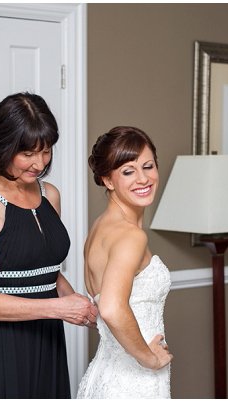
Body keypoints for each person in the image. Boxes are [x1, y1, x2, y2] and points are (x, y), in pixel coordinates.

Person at [0, 92, 98, 398]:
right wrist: (58, 308)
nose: (39, 163)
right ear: (2, 146)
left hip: (45, 340)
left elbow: (45, 269)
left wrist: (80, 304)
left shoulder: (50, 194)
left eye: (47, 151)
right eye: (27, 153)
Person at [76, 126, 172, 398]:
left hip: (105, 375)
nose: (143, 178)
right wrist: (150, 360)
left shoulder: (100, 227)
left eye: (148, 166)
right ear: (107, 180)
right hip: (132, 382)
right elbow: (111, 308)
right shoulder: (131, 236)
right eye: (128, 171)